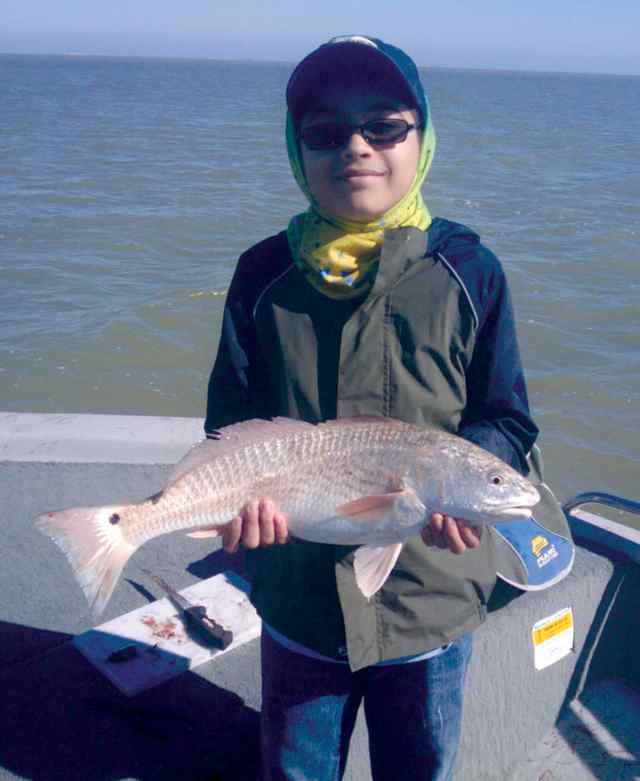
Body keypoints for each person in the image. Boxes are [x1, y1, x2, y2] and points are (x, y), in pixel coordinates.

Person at [204, 35, 557, 781]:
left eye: (384, 126)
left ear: (422, 138)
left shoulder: (469, 272)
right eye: (326, 132)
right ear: (298, 150)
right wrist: (241, 507)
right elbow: (229, 423)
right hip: (299, 601)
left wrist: (469, 487)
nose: (356, 147)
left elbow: (506, 417)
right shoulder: (262, 275)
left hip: (430, 601)